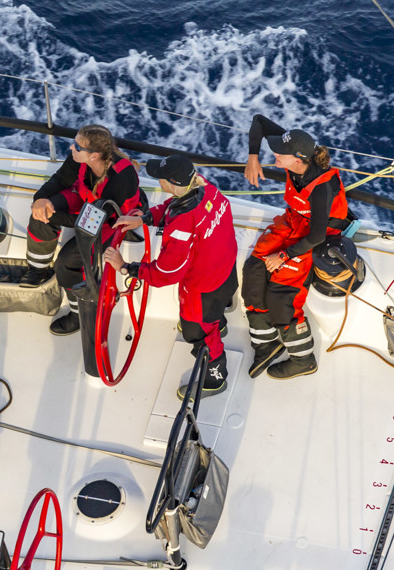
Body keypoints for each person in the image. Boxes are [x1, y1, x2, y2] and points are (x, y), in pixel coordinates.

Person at [103, 155, 238, 399]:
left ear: (172, 182)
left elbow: (166, 273)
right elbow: (172, 206)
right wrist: (143, 218)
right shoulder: (205, 188)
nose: (158, 182)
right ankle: (218, 324)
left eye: (161, 179)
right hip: (226, 271)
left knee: (196, 333)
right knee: (214, 315)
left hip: (203, 289)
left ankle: (215, 379)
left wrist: (125, 267)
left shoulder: (182, 226)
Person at [241, 114, 351, 379]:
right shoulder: (296, 151)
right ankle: (266, 343)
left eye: (280, 154)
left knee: (282, 294)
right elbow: (259, 122)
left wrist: (283, 256)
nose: (275, 156)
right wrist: (252, 157)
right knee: (255, 271)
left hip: (315, 235)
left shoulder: (322, 188)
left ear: (298, 159)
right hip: (292, 221)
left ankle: (303, 360)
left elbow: (315, 238)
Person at [19, 124, 147, 335]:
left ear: (94, 156)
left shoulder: (122, 177)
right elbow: (61, 179)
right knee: (39, 218)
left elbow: (93, 223)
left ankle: (79, 315)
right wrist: (40, 199)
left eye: (77, 147)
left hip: (109, 221)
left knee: (66, 265)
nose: (71, 148)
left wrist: (52, 213)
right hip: (86, 200)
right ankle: (38, 270)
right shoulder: (80, 157)